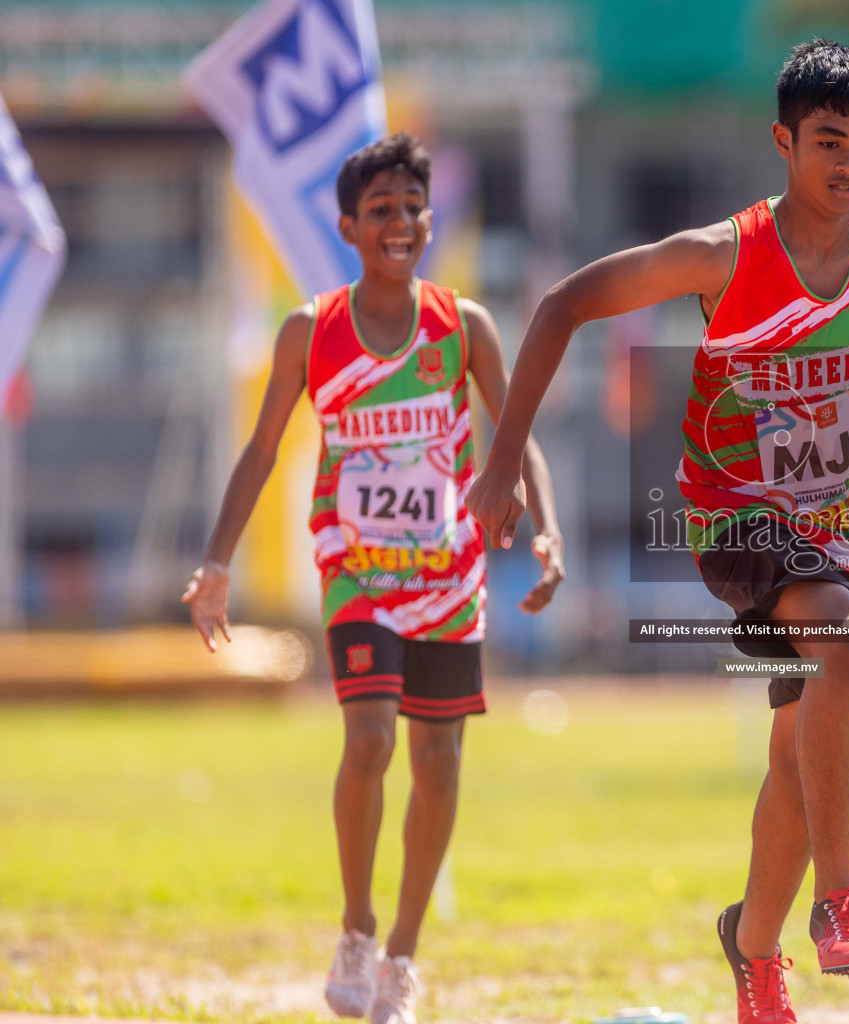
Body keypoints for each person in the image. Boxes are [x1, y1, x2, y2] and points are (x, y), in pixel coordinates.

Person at [464, 40, 849, 1023]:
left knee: (799, 745)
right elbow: (563, 304)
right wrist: (501, 465)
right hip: (739, 516)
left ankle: (751, 944)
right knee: (841, 642)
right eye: (829, 142)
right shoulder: (723, 254)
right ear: (782, 141)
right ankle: (840, 900)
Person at [181, 132, 564, 1024]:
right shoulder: (311, 332)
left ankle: (400, 954)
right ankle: (354, 926)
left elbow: (515, 439)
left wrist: (546, 533)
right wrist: (216, 563)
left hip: (449, 574)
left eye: (413, 209)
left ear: (431, 221)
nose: (401, 224)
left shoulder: (463, 325)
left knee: (437, 760)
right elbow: (262, 449)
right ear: (349, 225)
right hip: (356, 568)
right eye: (381, 210)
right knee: (370, 743)